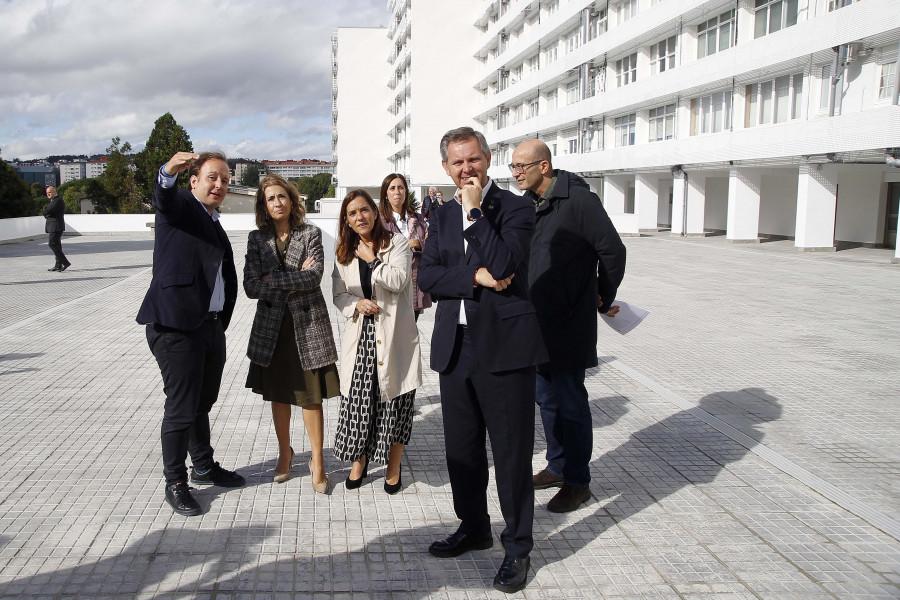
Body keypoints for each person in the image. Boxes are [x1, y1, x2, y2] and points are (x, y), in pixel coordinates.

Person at [418, 127, 548, 594]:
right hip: (456, 347)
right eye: (457, 163)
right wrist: (473, 276)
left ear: (488, 159)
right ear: (446, 168)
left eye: (473, 160)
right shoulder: (440, 214)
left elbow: (506, 265)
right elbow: (429, 275)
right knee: (462, 450)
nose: (466, 169)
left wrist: (475, 213)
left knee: (511, 454)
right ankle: (473, 527)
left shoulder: (515, 208)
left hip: (505, 346)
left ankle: (517, 548)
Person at [510, 138, 627, 513]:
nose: (515, 174)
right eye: (512, 167)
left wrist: (601, 296)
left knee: (571, 403)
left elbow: (613, 251)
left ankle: (578, 481)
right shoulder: (533, 205)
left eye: (520, 167)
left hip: (569, 323)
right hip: (538, 322)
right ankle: (558, 466)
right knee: (546, 400)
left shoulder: (579, 201)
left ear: (543, 166)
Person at [137, 151, 245, 517]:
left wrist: (221, 319)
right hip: (176, 327)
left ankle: (203, 465)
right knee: (181, 409)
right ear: (194, 180)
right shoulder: (180, 206)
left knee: (203, 403)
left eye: (226, 180)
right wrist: (167, 171)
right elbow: (163, 196)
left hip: (210, 326)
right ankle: (175, 481)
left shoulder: (213, 220)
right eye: (213, 177)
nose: (220, 185)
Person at [243, 174, 339, 491]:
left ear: (292, 199)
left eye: (282, 196)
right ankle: (285, 453)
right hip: (272, 329)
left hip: (308, 326)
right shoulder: (257, 240)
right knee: (279, 395)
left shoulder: (311, 233)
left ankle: (318, 461)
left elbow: (313, 277)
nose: (277, 202)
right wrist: (291, 277)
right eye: (270, 198)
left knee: (311, 397)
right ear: (263, 205)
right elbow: (250, 286)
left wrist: (275, 280)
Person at [331, 189, 422, 495]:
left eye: (364, 210)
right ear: (346, 219)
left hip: (393, 335)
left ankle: (393, 466)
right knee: (358, 402)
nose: (360, 217)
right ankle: (360, 460)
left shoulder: (395, 243)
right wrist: (355, 305)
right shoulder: (343, 250)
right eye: (352, 213)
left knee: (395, 402)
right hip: (361, 337)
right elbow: (339, 294)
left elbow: (398, 281)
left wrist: (371, 260)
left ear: (374, 212)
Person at [378, 173, 432, 321]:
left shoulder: (418, 219)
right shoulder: (378, 221)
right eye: (392, 188)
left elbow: (432, 245)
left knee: (410, 335)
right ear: (385, 194)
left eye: (401, 188)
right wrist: (405, 245)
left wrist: (419, 244)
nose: (397, 192)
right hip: (389, 284)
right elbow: (377, 249)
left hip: (415, 285)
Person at [43, 186, 70, 272]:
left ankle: (65, 262)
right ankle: (58, 264)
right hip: (54, 226)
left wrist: (46, 213)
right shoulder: (53, 201)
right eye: (47, 193)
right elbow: (48, 212)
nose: (48, 194)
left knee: (52, 244)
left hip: (56, 226)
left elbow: (48, 211)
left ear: (55, 192)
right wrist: (47, 213)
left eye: (50, 192)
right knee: (57, 245)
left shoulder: (57, 200)